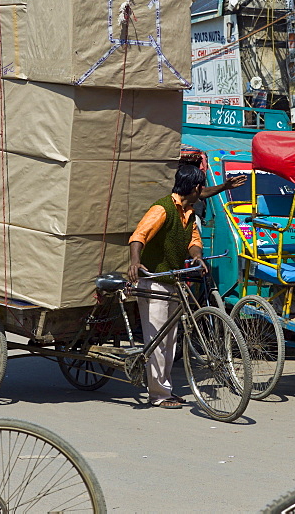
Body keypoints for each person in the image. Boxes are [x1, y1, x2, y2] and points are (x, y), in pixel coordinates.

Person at [127, 165, 208, 409]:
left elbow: (194, 240)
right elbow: (139, 235)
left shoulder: (189, 213)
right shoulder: (162, 208)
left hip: (173, 280)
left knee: (170, 339)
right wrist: (135, 261)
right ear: (195, 188)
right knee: (157, 340)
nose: (202, 192)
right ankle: (158, 394)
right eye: (201, 187)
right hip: (153, 281)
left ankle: (166, 389)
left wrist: (196, 256)